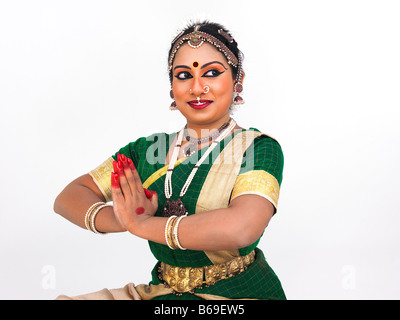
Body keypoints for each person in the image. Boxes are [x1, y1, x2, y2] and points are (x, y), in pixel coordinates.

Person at [54, 21, 286, 300]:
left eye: (211, 73)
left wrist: (142, 225)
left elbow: (243, 228)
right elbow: (68, 197)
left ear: (238, 81)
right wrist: (121, 218)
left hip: (238, 293)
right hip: (162, 291)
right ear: (172, 86)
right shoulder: (147, 149)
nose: (197, 88)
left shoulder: (257, 148)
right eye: (184, 75)